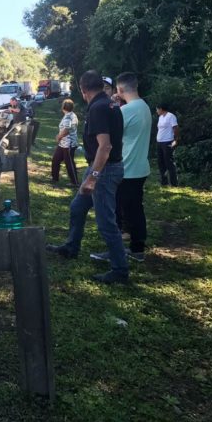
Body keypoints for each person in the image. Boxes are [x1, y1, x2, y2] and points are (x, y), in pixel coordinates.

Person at [47, 70, 129, 284]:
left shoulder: (99, 108)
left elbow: (105, 146)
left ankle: (120, 270)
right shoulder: (110, 104)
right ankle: (71, 247)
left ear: (83, 89)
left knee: (106, 222)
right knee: (77, 207)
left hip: (104, 170)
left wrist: (93, 177)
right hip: (100, 167)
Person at [91, 72, 151, 263]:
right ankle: (137, 248)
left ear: (120, 89)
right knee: (135, 209)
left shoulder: (125, 111)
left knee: (115, 211)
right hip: (141, 167)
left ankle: (116, 251)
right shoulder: (144, 106)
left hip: (126, 168)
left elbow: (108, 135)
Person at [51, 99, 79, 186]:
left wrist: (58, 137)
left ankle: (74, 182)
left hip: (68, 144)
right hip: (63, 144)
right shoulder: (72, 115)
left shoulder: (68, 117)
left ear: (63, 107)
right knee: (56, 159)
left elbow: (66, 130)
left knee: (69, 163)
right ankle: (54, 178)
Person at [156, 103, 179, 186]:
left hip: (168, 141)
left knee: (169, 162)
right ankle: (164, 182)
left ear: (161, 109)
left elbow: (175, 128)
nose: (156, 111)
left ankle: (174, 183)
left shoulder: (171, 116)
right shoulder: (160, 117)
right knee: (161, 162)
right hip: (159, 142)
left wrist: (176, 140)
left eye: (157, 109)